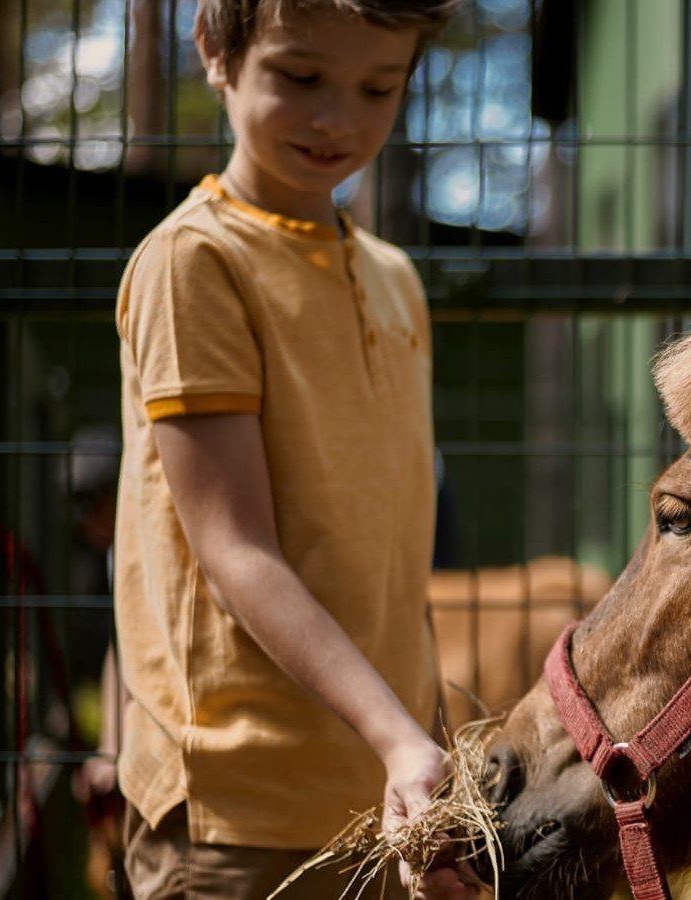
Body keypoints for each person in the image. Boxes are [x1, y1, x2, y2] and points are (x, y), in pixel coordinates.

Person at [111, 0, 474, 894]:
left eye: (378, 86)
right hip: (238, 812)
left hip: (385, 800)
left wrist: (430, 768)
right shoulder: (195, 263)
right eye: (300, 77)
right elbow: (235, 549)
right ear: (216, 51)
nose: (338, 118)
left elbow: (398, 566)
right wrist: (397, 737)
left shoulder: (397, 280)